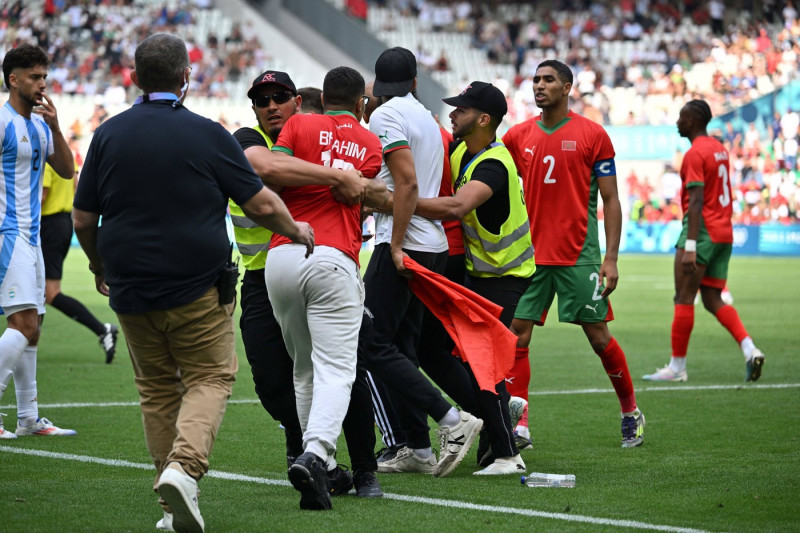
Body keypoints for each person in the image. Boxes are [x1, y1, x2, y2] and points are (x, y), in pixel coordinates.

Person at [72, 34, 314, 533]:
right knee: (210, 377)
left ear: (136, 79)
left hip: (130, 286)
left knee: (157, 390)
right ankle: (184, 469)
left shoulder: (107, 134)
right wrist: (296, 229)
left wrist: (99, 268)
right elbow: (261, 203)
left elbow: (81, 218)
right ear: (186, 76)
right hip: (195, 284)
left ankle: (170, 506)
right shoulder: (208, 133)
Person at [233, 70, 383, 501]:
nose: (271, 105)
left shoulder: (298, 130)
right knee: (303, 375)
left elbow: (282, 175)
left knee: (330, 373)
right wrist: (336, 176)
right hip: (290, 267)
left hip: (283, 260)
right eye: (263, 100)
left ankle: (355, 468)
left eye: (280, 96)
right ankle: (315, 457)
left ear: (298, 101)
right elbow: (268, 169)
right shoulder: (250, 137)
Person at [503, 59, 645, 448]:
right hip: (529, 256)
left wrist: (611, 258)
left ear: (567, 87)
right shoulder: (517, 136)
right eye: (535, 80)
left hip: (579, 256)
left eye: (548, 80)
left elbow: (612, 200)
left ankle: (630, 412)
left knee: (599, 337)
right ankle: (521, 425)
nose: (539, 86)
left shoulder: (592, 135)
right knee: (517, 336)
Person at [360, 47, 482, 478]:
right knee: (404, 347)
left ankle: (453, 420)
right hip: (432, 243)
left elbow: (407, 182)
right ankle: (417, 447)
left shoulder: (384, 116)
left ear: (376, 84)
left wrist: (393, 245)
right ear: (414, 81)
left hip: (406, 240)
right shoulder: (427, 118)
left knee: (370, 341)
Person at [412, 81, 534, 474]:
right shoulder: (464, 150)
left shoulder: (494, 164)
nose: (453, 114)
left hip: (505, 277)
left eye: (461, 110)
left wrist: (394, 202)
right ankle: (500, 414)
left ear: (483, 119)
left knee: (485, 366)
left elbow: (457, 205)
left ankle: (506, 454)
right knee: (442, 352)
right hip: (479, 275)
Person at [643, 100, 765, 383]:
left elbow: (696, 200)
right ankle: (750, 349)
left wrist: (690, 245)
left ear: (694, 121)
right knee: (711, 298)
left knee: (683, 297)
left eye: (681, 118)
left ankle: (677, 368)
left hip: (703, 233)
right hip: (724, 232)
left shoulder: (694, 154)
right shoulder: (720, 150)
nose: (677, 122)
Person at [0, 43, 77, 439]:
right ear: (13, 80)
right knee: (24, 323)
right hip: (7, 234)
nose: (42, 84)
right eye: (34, 76)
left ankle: (28, 418)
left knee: (34, 326)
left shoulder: (39, 125)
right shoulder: (2, 121)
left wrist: (58, 128)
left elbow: (66, 170)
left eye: (44, 76)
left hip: (33, 237)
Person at [41, 162, 119, 364]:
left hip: (47, 225)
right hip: (62, 224)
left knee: (50, 291)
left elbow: (40, 197)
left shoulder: (46, 159)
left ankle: (102, 330)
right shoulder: (65, 158)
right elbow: (76, 186)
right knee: (38, 291)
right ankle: (28, 341)